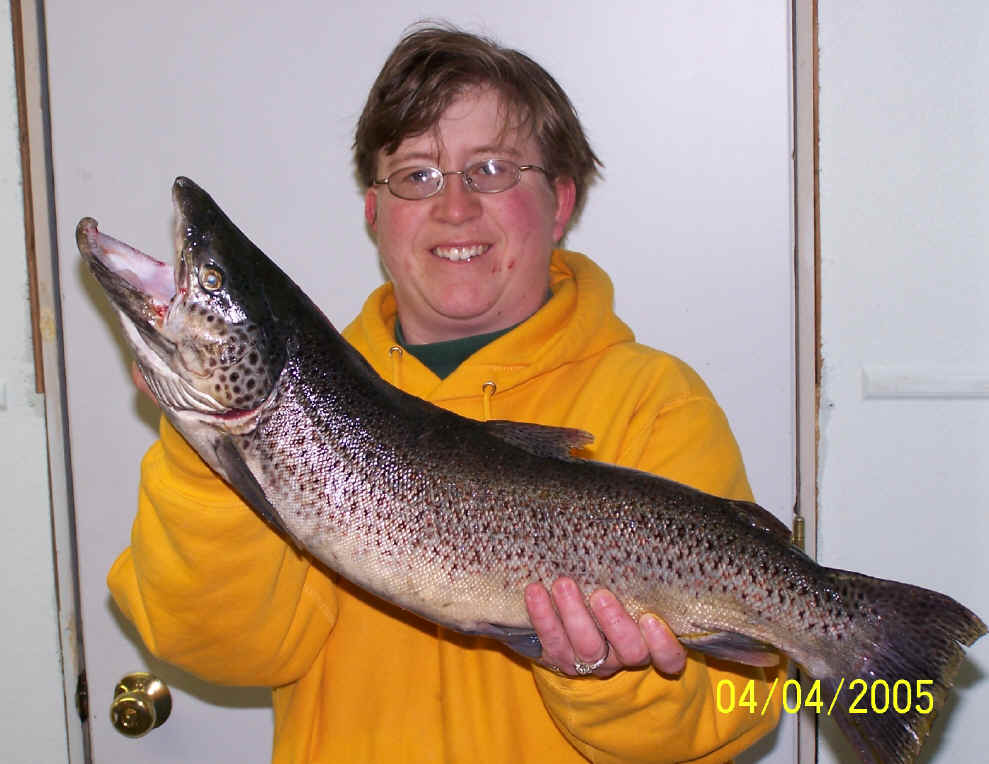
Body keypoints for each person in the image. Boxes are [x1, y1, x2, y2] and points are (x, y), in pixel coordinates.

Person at [110, 24, 782, 763]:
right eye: (417, 175)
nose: (454, 207)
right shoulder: (305, 418)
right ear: (374, 212)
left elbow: (742, 707)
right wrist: (209, 448)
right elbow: (222, 647)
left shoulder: (656, 402)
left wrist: (610, 680)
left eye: (491, 169)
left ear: (559, 202)